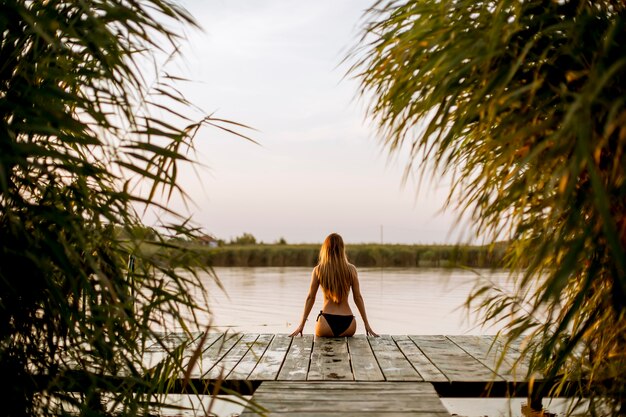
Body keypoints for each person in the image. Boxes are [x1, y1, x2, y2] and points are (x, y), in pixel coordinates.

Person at [290, 233, 378, 337]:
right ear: (342, 249)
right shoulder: (351, 270)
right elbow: (357, 297)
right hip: (348, 323)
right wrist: (367, 324)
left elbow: (310, 297)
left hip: (326, 322)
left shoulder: (319, 270)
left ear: (325, 249)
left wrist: (301, 325)